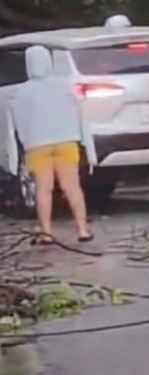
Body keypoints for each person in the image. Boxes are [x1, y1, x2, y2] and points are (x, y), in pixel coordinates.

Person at [11, 46, 93, 245]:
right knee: (72, 186)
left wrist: (24, 144)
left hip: (38, 145)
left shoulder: (22, 91)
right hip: (66, 141)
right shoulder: (65, 86)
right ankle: (82, 229)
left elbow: (19, 121)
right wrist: (86, 143)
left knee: (43, 189)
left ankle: (46, 232)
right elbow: (80, 115)